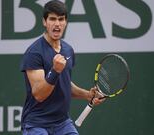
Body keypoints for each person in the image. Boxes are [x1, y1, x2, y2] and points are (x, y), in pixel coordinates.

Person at [20, 0, 104, 134]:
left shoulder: (68, 50)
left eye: (61, 19)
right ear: (44, 22)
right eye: (52, 19)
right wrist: (55, 71)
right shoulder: (34, 53)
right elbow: (39, 95)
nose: (57, 24)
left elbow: (64, 84)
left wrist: (87, 95)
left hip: (62, 123)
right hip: (37, 124)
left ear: (65, 22)